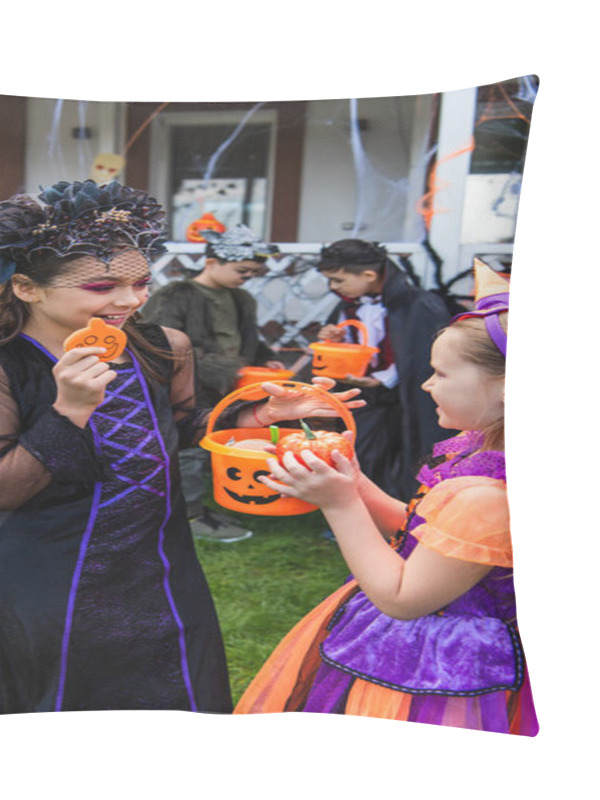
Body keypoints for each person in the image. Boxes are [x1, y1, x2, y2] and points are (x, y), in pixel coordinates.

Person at [0, 180, 361, 717]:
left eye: (141, 282)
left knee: (172, 700)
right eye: (100, 286)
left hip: (160, 567)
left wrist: (260, 415)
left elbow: (183, 428)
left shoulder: (164, 346)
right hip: (52, 579)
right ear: (26, 287)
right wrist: (69, 408)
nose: (129, 299)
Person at [234, 259, 538, 736]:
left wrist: (340, 505)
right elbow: (425, 535)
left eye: (440, 373)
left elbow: (402, 597)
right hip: (425, 646)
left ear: (507, 389)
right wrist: (352, 479)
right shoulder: (488, 455)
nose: (425, 384)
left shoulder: (487, 496)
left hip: (439, 670)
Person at [141, 225, 285, 542]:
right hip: (187, 385)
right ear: (211, 262)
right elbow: (159, 342)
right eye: (241, 270)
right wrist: (224, 369)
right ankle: (190, 515)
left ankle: (211, 503)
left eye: (252, 273)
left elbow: (249, 338)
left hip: (231, 384)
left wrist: (265, 357)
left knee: (220, 441)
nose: (246, 277)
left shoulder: (242, 299)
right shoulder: (175, 296)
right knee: (188, 449)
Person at [316, 239, 451, 498]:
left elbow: (422, 353)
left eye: (338, 280)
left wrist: (383, 378)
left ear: (369, 275)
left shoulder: (419, 304)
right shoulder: (349, 303)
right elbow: (356, 341)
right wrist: (335, 339)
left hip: (406, 396)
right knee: (362, 451)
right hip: (365, 395)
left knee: (406, 452)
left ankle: (402, 510)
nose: (332, 287)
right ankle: (358, 506)